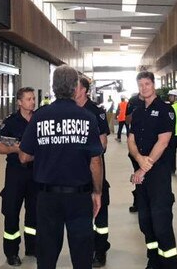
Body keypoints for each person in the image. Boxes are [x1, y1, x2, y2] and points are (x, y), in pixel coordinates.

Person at [19, 65, 104, 269]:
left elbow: (24, 156)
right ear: (76, 87)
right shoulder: (87, 118)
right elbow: (96, 161)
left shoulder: (39, 116)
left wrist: (47, 149)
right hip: (79, 196)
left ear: (54, 87)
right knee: (82, 252)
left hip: (48, 197)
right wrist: (97, 192)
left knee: (47, 252)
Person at [128, 71, 177, 269]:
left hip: (158, 173)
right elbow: (131, 140)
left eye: (147, 84)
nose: (143, 88)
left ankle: (170, 263)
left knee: (161, 220)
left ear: (153, 85)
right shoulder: (138, 111)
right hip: (142, 171)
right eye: (140, 85)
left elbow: (163, 141)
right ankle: (153, 260)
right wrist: (139, 160)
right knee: (145, 220)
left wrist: (144, 167)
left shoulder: (165, 110)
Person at [0, 87, 38, 266]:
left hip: (36, 172)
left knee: (34, 212)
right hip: (16, 173)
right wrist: (16, 148)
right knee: (11, 212)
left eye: (33, 98)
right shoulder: (11, 122)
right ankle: (12, 251)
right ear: (19, 102)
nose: (32, 102)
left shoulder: (39, 119)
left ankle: (32, 247)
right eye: (28, 99)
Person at [75, 77, 111, 267]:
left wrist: (85, 151)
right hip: (75, 172)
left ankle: (101, 249)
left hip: (94, 168)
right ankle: (86, 248)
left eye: (77, 86)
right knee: (81, 212)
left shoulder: (96, 112)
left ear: (85, 90)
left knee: (100, 212)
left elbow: (103, 143)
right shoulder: (69, 111)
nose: (74, 89)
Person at [126, 93, 145, 213]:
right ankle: (139, 202)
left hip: (152, 146)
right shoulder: (133, 101)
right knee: (138, 175)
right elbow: (127, 120)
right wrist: (137, 113)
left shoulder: (156, 102)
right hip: (136, 146)